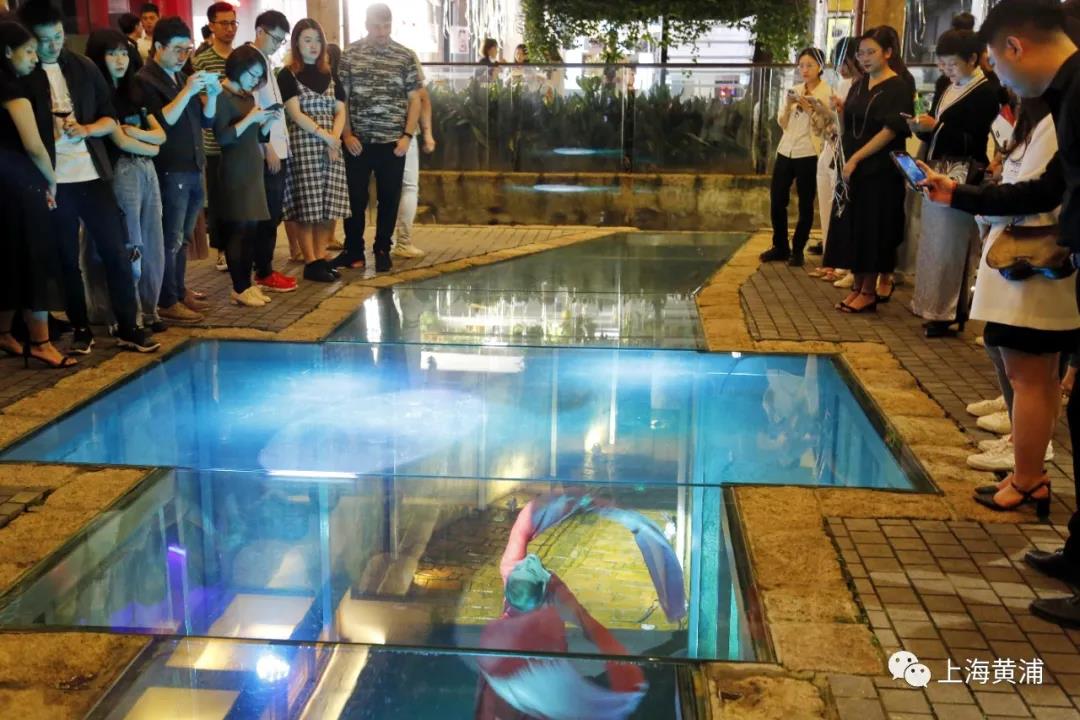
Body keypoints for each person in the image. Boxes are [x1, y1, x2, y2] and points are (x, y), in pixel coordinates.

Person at [916, 0, 1080, 628]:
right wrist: (962, 193)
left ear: (1015, 47)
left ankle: (1035, 483)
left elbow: (1050, 192)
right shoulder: (1061, 98)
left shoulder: (1069, 99)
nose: (998, 80)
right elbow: (1049, 185)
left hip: (1047, 266)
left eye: (995, 64)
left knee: (1040, 378)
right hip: (1052, 255)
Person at [18, 0, 159, 354]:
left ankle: (128, 326)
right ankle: (81, 329)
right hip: (52, 179)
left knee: (116, 251)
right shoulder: (24, 73)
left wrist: (86, 129)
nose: (53, 45)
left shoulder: (82, 67)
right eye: (44, 40)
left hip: (92, 174)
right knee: (67, 259)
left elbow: (110, 117)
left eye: (58, 36)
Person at [964, 98, 1074, 485]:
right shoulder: (1035, 122)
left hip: (1033, 259)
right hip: (1014, 253)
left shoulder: (1058, 122)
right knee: (1015, 362)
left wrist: (968, 199)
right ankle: (1025, 460)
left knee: (1030, 372)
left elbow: (1034, 194)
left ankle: (1027, 470)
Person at [908, 29, 1000, 337]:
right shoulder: (948, 86)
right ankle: (933, 306)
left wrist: (937, 128)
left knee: (953, 243)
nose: (947, 70)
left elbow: (976, 138)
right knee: (935, 241)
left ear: (972, 59)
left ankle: (948, 311)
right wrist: (924, 127)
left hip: (962, 172)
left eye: (952, 64)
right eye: (943, 64)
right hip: (938, 166)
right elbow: (941, 128)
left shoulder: (986, 92)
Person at [821, 26, 913, 314]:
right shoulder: (860, 84)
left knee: (874, 229)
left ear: (888, 53)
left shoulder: (898, 87)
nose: (864, 58)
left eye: (871, 52)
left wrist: (857, 158)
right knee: (854, 227)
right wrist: (839, 111)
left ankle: (869, 291)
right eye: (861, 53)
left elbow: (889, 131)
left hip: (879, 169)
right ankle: (858, 287)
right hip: (854, 168)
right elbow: (850, 125)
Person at [137, 16, 219, 326]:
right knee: (169, 238)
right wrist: (187, 91)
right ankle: (167, 299)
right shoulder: (146, 80)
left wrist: (212, 94)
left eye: (188, 49)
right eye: (177, 49)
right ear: (158, 47)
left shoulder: (183, 76)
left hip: (194, 165)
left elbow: (206, 121)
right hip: (170, 169)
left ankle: (179, 290)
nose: (184, 56)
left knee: (183, 238)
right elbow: (162, 122)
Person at [0, 21, 73, 369]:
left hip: (4, 185)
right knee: (35, 260)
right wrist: (51, 180)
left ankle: (4, 334)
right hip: (20, 184)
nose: (34, 57)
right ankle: (41, 342)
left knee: (9, 260)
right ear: (7, 52)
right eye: (28, 50)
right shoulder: (13, 91)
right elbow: (34, 146)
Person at [86, 29, 167, 333]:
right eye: (112, 54)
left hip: (146, 169)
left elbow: (160, 135)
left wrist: (140, 137)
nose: (120, 60)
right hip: (119, 172)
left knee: (153, 241)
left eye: (123, 53)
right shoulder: (97, 93)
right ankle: (127, 316)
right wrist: (149, 144)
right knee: (130, 242)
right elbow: (120, 142)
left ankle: (149, 310)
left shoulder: (136, 90)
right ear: (98, 57)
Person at [334, 3, 422, 273]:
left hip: (392, 143)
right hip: (357, 142)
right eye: (376, 27)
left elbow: (415, 100)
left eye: (386, 26)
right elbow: (342, 100)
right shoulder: (350, 54)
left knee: (389, 198)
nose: (382, 32)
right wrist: (347, 134)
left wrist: (407, 136)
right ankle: (354, 251)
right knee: (355, 198)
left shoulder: (405, 56)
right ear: (366, 25)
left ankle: (383, 247)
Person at [278, 18, 349, 283]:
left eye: (318, 40)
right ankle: (310, 261)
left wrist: (334, 138)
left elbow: (340, 110)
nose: (313, 45)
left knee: (327, 207)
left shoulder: (330, 74)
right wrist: (325, 136)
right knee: (307, 208)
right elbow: (295, 114)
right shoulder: (287, 75)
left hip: (331, 148)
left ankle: (321, 257)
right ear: (296, 43)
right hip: (304, 146)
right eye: (307, 40)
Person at [213, 45, 278, 307]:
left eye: (259, 76)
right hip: (235, 169)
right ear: (238, 68)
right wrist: (251, 119)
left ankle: (247, 284)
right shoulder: (221, 95)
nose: (254, 81)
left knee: (252, 230)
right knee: (238, 230)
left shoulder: (247, 96)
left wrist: (268, 121)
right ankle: (239, 287)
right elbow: (223, 137)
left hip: (252, 167)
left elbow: (256, 135)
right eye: (252, 75)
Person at [760, 47, 831, 267]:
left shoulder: (826, 93)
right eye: (801, 65)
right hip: (786, 149)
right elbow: (782, 123)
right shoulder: (795, 89)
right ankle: (780, 246)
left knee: (805, 203)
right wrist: (789, 106)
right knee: (777, 199)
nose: (805, 70)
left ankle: (798, 248)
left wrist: (811, 110)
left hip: (808, 152)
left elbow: (824, 128)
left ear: (820, 67)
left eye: (810, 65)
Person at [249, 10, 297, 294]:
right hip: (267, 151)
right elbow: (254, 108)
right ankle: (263, 271)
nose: (278, 45)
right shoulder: (251, 62)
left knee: (273, 213)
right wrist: (267, 146)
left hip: (279, 147)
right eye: (275, 39)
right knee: (266, 215)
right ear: (260, 31)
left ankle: (264, 268)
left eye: (282, 41)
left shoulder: (265, 61)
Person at [808, 37, 861, 284]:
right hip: (832, 147)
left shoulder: (859, 86)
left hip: (844, 151)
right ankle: (831, 259)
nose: (840, 67)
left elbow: (846, 121)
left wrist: (828, 111)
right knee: (829, 204)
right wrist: (823, 111)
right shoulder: (843, 83)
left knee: (839, 205)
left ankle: (842, 263)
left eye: (843, 61)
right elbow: (837, 120)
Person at [192, 1, 237, 273]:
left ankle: (242, 249)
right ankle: (222, 251)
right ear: (211, 25)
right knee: (219, 202)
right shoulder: (201, 61)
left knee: (240, 199)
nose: (230, 29)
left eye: (233, 23)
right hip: (214, 143)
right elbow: (203, 100)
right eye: (224, 23)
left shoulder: (241, 57)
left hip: (242, 140)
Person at [391, 51, 435, 260]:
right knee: (408, 186)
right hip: (405, 133)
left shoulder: (362, 54)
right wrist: (427, 134)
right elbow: (423, 97)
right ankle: (403, 241)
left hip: (375, 133)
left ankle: (385, 241)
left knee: (386, 188)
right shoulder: (406, 56)